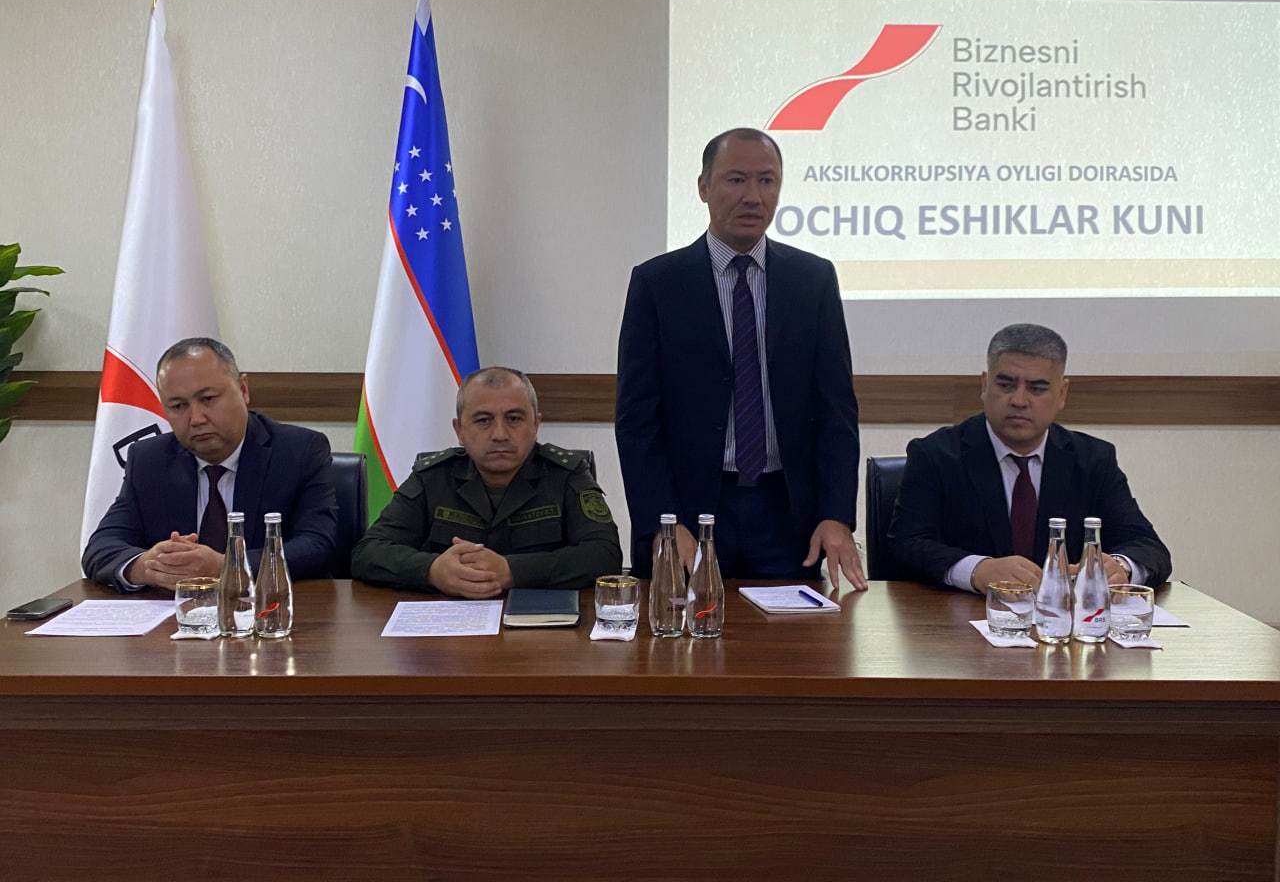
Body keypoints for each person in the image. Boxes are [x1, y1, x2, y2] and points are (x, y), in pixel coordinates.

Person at [615, 127, 865, 588]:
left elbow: (836, 412)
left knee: (792, 654)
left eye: (767, 181)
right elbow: (637, 420)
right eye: (736, 180)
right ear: (703, 187)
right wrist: (663, 522)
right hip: (690, 516)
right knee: (679, 652)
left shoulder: (813, 281)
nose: (753, 196)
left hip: (790, 515)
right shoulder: (658, 283)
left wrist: (836, 514)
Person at [888, 323, 1171, 592]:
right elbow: (907, 544)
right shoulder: (935, 455)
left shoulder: (1093, 460)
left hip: (1063, 629)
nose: (1020, 400)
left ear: (1061, 394)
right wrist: (978, 571)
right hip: (960, 624)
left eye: (1037, 389)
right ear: (984, 386)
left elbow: (1147, 546)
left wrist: (1120, 567)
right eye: (1006, 385)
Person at [82, 338, 339, 591]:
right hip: (178, 620)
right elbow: (101, 547)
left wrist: (227, 566)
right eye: (178, 406)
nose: (196, 418)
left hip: (271, 614)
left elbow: (317, 545)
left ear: (243, 389)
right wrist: (149, 566)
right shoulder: (149, 460)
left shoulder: (299, 451)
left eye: (207, 399)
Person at [352, 366, 622, 597]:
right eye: (483, 421)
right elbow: (367, 552)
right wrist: (431, 570)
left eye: (514, 419)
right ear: (459, 431)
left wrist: (511, 571)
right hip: (449, 632)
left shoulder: (567, 474)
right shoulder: (432, 477)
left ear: (536, 425)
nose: (500, 434)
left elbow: (604, 555)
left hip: (542, 629)